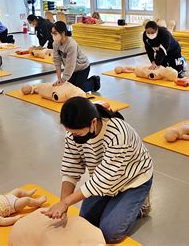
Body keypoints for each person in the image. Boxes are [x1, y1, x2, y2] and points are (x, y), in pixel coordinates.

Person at [43, 97, 153, 243]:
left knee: (110, 233)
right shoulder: (73, 133)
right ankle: (116, 202)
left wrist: (66, 202)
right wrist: (63, 203)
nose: (72, 136)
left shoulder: (118, 134)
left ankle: (141, 204)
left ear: (93, 122)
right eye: (70, 132)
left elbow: (105, 178)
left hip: (133, 180)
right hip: (103, 180)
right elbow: (71, 168)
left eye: (77, 133)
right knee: (86, 222)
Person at [52, 21, 100, 92]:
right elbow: (57, 61)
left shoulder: (71, 45)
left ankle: (94, 81)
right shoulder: (55, 43)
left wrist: (63, 80)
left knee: (78, 89)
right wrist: (59, 79)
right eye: (52, 33)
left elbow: (70, 65)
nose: (53, 35)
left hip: (82, 68)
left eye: (55, 33)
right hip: (73, 70)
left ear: (63, 33)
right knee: (69, 88)